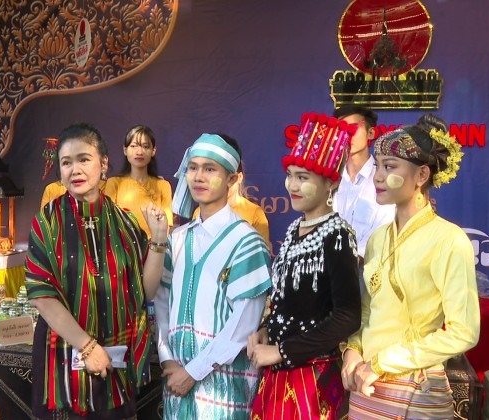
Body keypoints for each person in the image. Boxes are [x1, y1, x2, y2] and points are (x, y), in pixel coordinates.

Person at [342, 114, 480, 419]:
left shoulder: (449, 239)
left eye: (390, 167)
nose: (378, 177)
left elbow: (464, 332)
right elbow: (369, 310)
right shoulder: (378, 238)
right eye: (378, 166)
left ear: (421, 175)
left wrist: (382, 362)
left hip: (415, 387)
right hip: (366, 386)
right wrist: (353, 350)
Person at [25, 123, 162, 419]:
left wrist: (159, 240)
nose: (75, 170)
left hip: (116, 357)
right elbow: (42, 296)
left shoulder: (126, 223)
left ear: (104, 164)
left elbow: (145, 291)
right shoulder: (47, 222)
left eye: (84, 159)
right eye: (66, 162)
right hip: (64, 358)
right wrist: (87, 347)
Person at [142, 133, 272, 419]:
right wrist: (167, 359)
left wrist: (193, 371)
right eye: (193, 167)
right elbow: (162, 302)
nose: (198, 176)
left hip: (222, 386)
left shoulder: (246, 242)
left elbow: (243, 324)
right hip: (177, 378)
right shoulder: (177, 239)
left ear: (231, 179)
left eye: (210, 169)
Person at [247, 113, 362, 419]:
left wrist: (281, 351)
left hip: (312, 379)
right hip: (278, 373)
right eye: (290, 175)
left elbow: (348, 316)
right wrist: (265, 330)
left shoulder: (338, 236)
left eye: (304, 177)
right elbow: (287, 303)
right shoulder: (294, 229)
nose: (292, 185)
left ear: (331, 182)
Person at [332, 105, 394, 263]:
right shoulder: (330, 179)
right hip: (330, 266)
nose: (347, 135)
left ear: (370, 133)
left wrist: (353, 258)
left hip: (368, 266)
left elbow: (385, 226)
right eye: (341, 129)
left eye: (353, 128)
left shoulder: (384, 178)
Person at [104, 125, 173, 236]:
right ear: (125, 150)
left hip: (154, 244)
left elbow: (166, 227)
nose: (139, 152)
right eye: (133, 146)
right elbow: (108, 223)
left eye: (145, 147)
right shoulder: (114, 183)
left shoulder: (163, 186)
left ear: (153, 151)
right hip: (122, 245)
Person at [192, 159, 270, 250]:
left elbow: (261, 252)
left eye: (230, 178)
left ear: (239, 177)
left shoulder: (254, 212)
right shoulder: (200, 212)